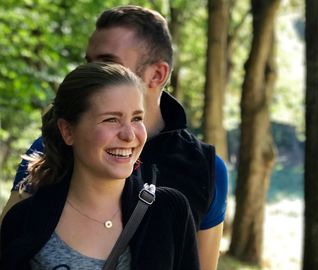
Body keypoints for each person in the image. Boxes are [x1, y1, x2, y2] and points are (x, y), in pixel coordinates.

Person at [0, 5, 228, 270]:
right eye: (89, 62)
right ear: (67, 131)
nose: (94, 72)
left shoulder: (206, 169)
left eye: (108, 62)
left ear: (157, 74)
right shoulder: (49, 148)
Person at [0, 62, 200, 269]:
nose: (129, 135)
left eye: (137, 118)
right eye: (111, 119)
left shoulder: (169, 211)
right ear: (68, 131)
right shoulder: (23, 221)